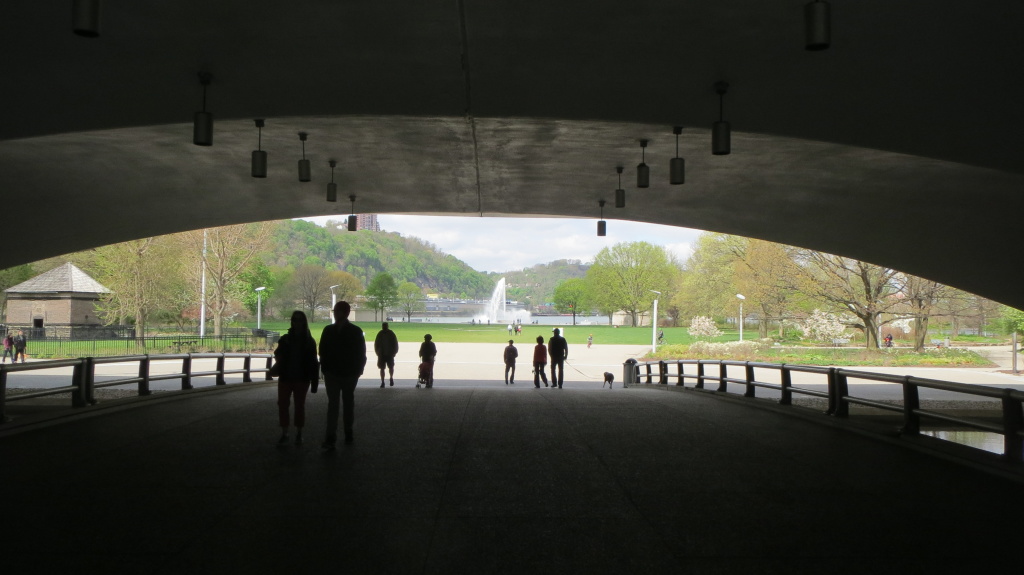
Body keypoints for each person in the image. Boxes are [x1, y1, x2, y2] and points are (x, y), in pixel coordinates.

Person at [318, 301, 366, 449]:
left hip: (336, 373)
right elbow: (361, 353)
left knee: (334, 404)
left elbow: (322, 351)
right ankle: (346, 432)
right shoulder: (355, 331)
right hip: (346, 373)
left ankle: (333, 435)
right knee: (347, 403)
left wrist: (325, 369)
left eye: (336, 311)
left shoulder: (328, 330)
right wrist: (358, 370)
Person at [273, 311, 320, 446]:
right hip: (288, 376)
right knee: (283, 404)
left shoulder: (307, 341)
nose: (296, 322)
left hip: (300, 377)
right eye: (294, 320)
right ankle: (286, 432)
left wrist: (314, 381)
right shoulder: (290, 339)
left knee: (298, 405)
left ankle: (296, 432)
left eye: (299, 320)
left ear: (303, 322)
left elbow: (313, 362)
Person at [374, 321, 399, 388]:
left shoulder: (386, 333)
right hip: (383, 354)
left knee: (388, 367)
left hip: (388, 354)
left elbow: (395, 343)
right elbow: (376, 344)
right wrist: (377, 351)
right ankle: (384, 381)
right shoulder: (383, 333)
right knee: (384, 368)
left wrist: (394, 352)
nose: (384, 327)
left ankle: (389, 379)